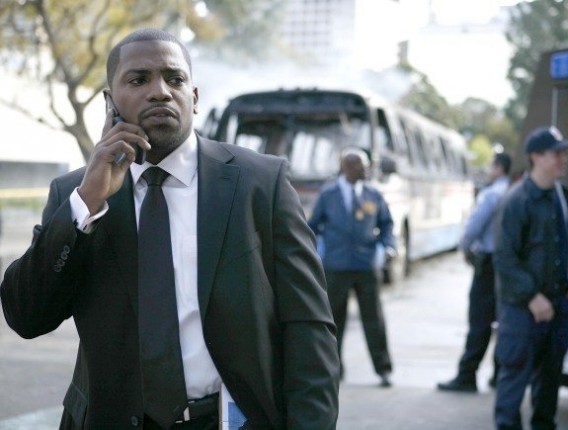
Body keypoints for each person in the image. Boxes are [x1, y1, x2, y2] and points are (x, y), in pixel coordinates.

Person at [1, 29, 340, 430]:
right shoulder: (75, 194)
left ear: (193, 97)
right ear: (110, 103)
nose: (160, 91)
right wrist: (87, 203)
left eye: (174, 79)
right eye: (138, 79)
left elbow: (308, 324)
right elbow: (27, 316)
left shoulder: (260, 183)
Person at [493, 126, 568, 430]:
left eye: (563, 153)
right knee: (514, 377)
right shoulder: (517, 200)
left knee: (550, 379)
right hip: (522, 310)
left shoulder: (560, 196)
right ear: (536, 157)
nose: (563, 159)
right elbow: (504, 258)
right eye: (557, 153)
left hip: (557, 306)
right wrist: (532, 296)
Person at [308, 148, 395, 388]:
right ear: (346, 167)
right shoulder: (328, 195)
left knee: (374, 319)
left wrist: (389, 246)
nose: (365, 169)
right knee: (334, 321)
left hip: (366, 266)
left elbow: (386, 224)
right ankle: (334, 369)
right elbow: (311, 226)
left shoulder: (373, 194)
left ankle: (383, 369)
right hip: (335, 267)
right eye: (360, 165)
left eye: (366, 165)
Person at [437, 152, 511, 393]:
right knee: (504, 321)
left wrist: (464, 247)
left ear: (499, 168)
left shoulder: (492, 194)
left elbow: (474, 225)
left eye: (491, 166)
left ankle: (467, 375)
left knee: (479, 321)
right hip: (508, 264)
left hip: (487, 264)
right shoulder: (514, 191)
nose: (488, 171)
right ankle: (499, 374)